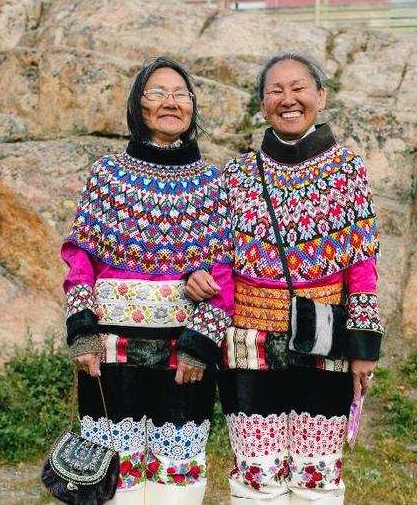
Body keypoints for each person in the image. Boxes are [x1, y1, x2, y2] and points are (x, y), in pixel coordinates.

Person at [186, 52, 383, 505]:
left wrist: (364, 348)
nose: (288, 100)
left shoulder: (348, 170)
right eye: (276, 91)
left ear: (321, 96)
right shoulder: (236, 175)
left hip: (325, 338)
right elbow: (216, 259)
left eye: (298, 88)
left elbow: (362, 266)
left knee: (317, 476)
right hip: (247, 343)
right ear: (261, 103)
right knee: (257, 477)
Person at [62, 56, 234, 505]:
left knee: (176, 478)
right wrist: (81, 331)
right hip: (113, 352)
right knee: (115, 475)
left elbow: (224, 271)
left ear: (193, 107)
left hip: (184, 355)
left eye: (180, 94)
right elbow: (80, 256)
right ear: (138, 106)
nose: (170, 103)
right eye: (157, 93)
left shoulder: (213, 183)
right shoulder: (108, 174)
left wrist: (201, 344)